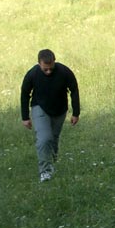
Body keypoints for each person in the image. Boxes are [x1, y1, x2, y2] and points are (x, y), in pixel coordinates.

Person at [20, 49, 80, 182]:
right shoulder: (33, 74)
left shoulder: (64, 72)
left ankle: (52, 164)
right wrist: (25, 117)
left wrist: (76, 112)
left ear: (55, 61)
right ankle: (45, 171)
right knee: (44, 139)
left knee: (53, 138)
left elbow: (74, 90)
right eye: (45, 69)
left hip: (60, 110)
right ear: (39, 64)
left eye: (51, 68)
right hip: (39, 107)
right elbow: (25, 94)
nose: (48, 72)